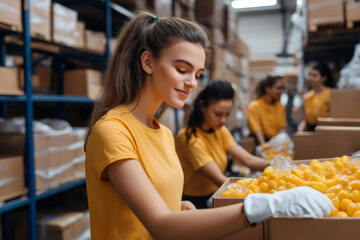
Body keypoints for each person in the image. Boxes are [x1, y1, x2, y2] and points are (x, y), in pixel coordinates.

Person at [84, 10, 333, 240]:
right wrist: (262, 206)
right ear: (148, 62)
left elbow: (150, 206)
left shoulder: (164, 134)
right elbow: (160, 225)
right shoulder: (113, 131)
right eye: (182, 69)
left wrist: (179, 206)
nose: (192, 82)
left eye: (198, 74)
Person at [175, 80, 270, 209]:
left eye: (227, 115)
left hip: (216, 193)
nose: (223, 120)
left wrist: (279, 166)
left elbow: (248, 159)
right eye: (218, 114)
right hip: (195, 204)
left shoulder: (220, 131)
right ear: (203, 107)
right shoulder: (189, 138)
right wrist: (254, 188)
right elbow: (219, 179)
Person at [247, 76, 287, 146]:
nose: (280, 91)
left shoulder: (280, 107)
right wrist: (264, 146)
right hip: (258, 140)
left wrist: (277, 144)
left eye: (282, 89)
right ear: (268, 89)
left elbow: (282, 127)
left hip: (274, 140)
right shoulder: (254, 106)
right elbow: (257, 130)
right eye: (278, 88)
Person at [298, 62, 335, 132]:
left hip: (327, 130)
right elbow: (305, 120)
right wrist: (300, 133)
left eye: (314, 76)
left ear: (324, 78)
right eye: (309, 75)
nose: (310, 78)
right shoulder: (307, 96)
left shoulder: (331, 94)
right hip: (311, 131)